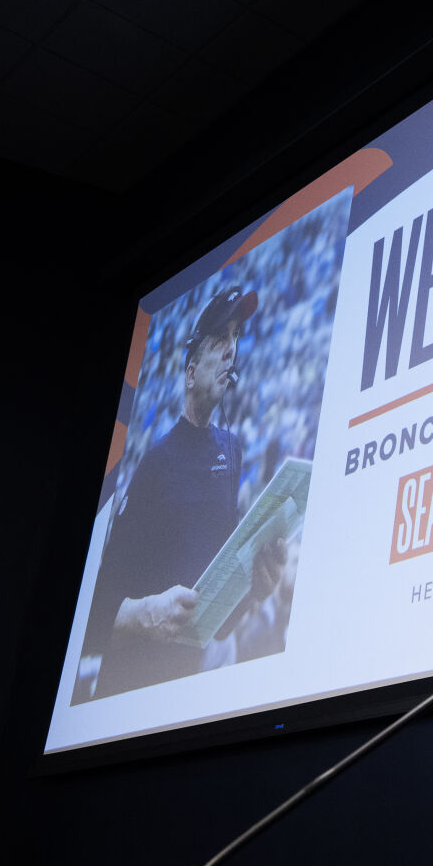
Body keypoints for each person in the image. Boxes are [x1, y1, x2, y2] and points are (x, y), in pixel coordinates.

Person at [88, 286, 279, 698]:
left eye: (235, 338)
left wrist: (253, 589)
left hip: (185, 697)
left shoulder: (233, 451)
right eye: (219, 339)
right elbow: (94, 613)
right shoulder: (155, 464)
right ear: (190, 373)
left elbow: (216, 619)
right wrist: (144, 615)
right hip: (129, 698)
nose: (232, 349)